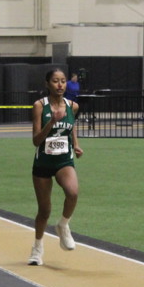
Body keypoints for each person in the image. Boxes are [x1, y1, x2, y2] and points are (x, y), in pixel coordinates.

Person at [28, 68, 83, 266]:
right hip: (43, 162)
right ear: (47, 84)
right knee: (44, 210)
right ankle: (37, 249)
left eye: (63, 81)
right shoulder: (39, 106)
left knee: (73, 192)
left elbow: (71, 126)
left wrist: (75, 144)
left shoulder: (72, 106)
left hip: (63, 161)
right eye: (55, 81)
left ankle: (63, 225)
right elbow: (36, 140)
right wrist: (52, 121)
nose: (60, 85)